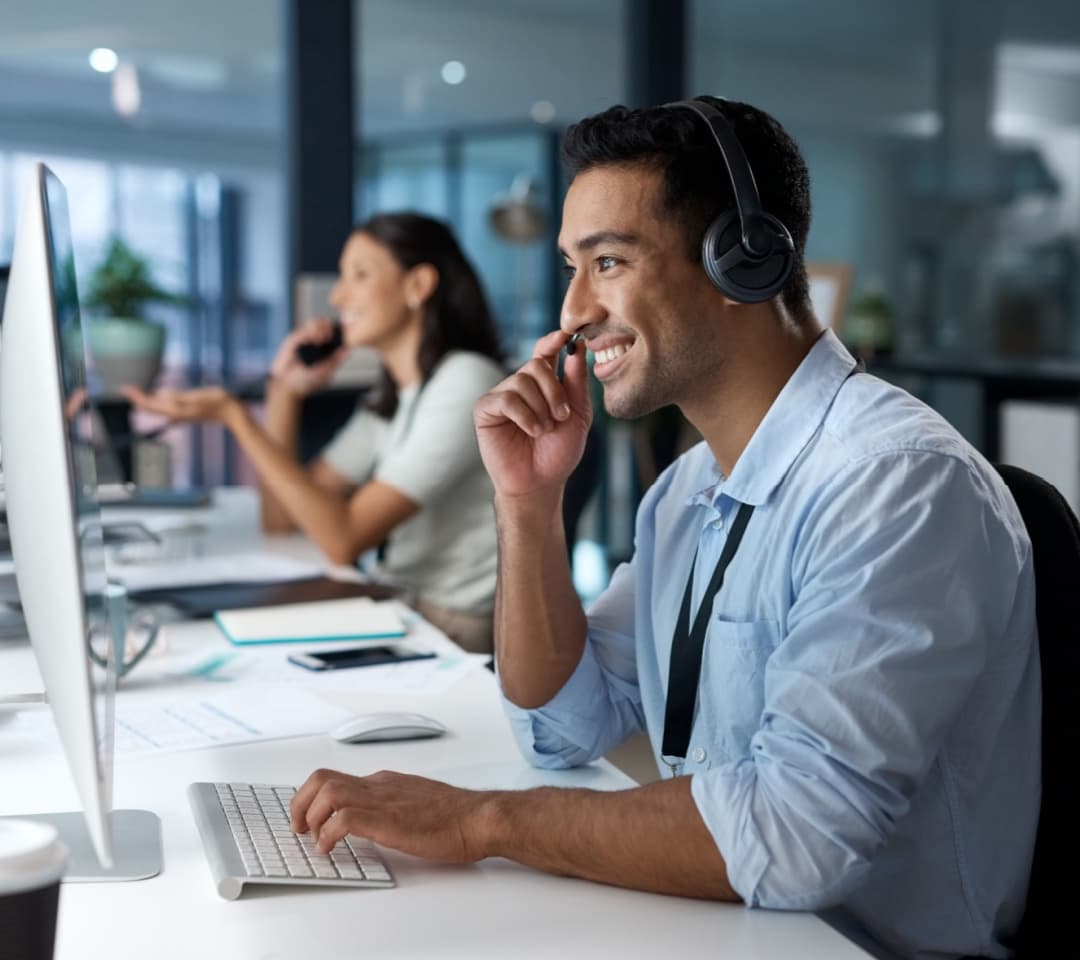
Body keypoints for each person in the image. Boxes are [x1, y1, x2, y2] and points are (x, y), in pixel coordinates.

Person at [286, 99, 1041, 960]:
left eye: (608, 261)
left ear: (742, 262)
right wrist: (529, 506)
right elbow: (561, 728)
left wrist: (480, 819)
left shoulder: (895, 485)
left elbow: (797, 837)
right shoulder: (688, 491)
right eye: (571, 266)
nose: (571, 310)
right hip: (719, 923)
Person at [124, 212, 505, 652]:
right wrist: (284, 393)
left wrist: (236, 417)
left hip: (451, 625)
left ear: (417, 286)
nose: (340, 297)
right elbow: (283, 520)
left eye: (359, 275)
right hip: (402, 605)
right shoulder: (395, 395)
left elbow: (342, 538)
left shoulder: (465, 382)